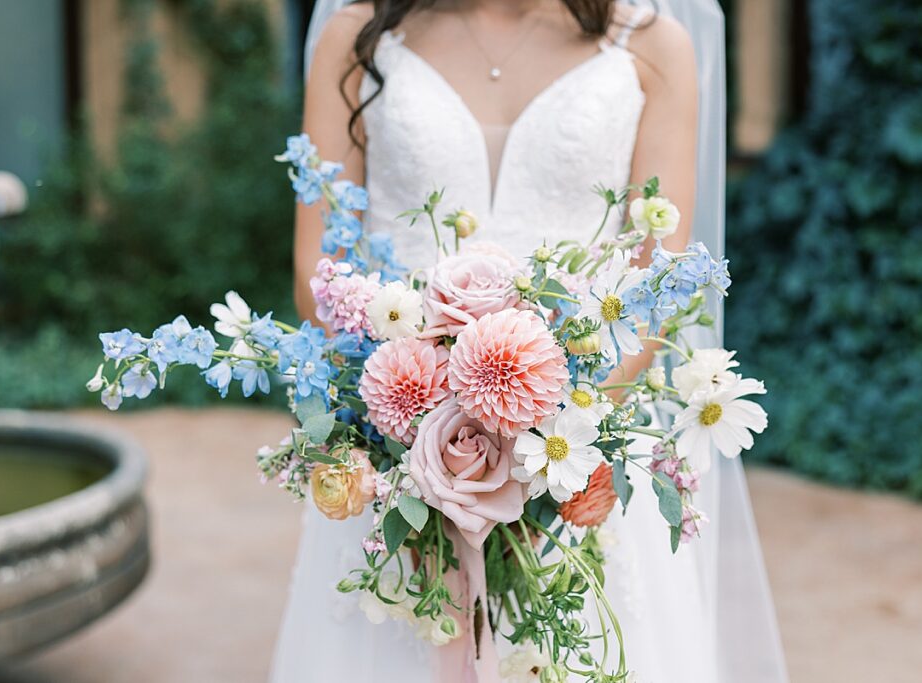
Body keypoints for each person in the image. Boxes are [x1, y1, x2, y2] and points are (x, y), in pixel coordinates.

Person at [272, 1, 789, 681]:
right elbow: (319, 277)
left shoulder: (654, 46)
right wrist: (423, 433)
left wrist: (541, 453)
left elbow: (653, 287)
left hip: (574, 463)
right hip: (394, 455)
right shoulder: (356, 35)